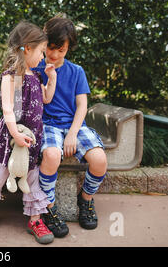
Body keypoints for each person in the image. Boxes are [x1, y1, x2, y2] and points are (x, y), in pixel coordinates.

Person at [0, 20, 57, 244]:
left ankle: (35, 219)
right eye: (40, 51)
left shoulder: (37, 77)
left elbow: (47, 99)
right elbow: (8, 109)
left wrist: (53, 78)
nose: (43, 56)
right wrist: (15, 135)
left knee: (33, 178)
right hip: (10, 139)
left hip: (31, 138)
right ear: (27, 48)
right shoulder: (11, 76)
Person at [33, 14, 108, 238]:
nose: (54, 55)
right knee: (52, 156)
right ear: (43, 43)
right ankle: (48, 207)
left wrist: (73, 133)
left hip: (74, 125)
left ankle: (85, 199)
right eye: (50, 48)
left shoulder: (77, 72)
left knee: (99, 161)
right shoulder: (36, 68)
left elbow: (82, 106)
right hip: (47, 125)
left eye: (61, 50)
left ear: (69, 48)